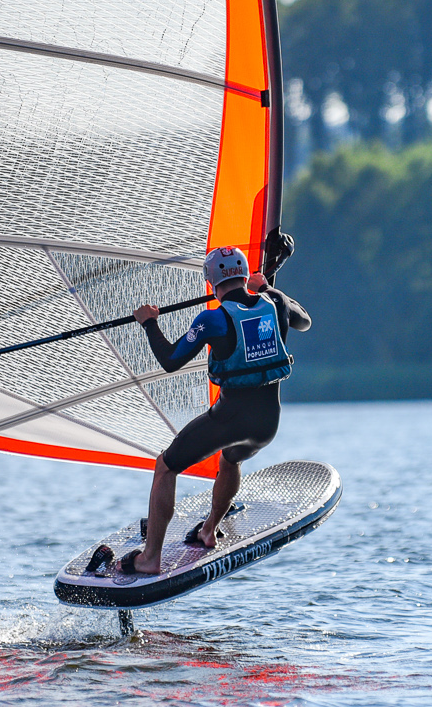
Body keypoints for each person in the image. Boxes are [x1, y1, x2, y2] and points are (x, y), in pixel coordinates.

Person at [114, 244, 310, 577]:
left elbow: (171, 360)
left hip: (229, 421)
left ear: (211, 281)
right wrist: (267, 288)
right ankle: (208, 531)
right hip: (267, 424)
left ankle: (150, 558)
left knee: (166, 466)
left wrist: (149, 323)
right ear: (246, 275)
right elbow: (303, 321)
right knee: (230, 459)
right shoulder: (275, 304)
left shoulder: (213, 319)